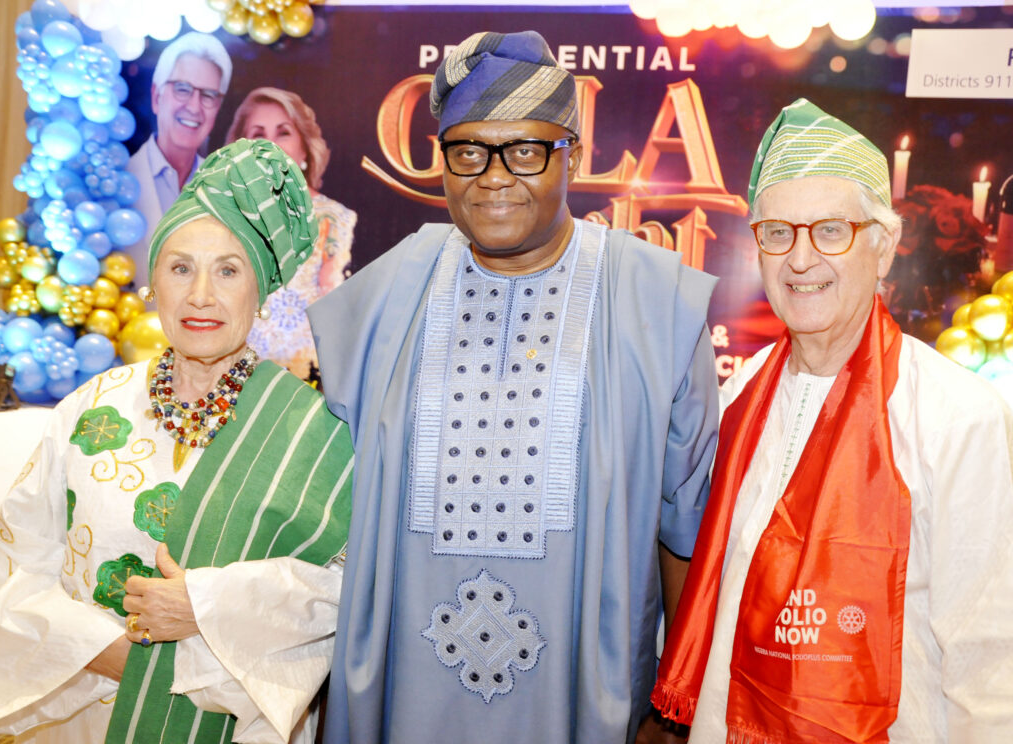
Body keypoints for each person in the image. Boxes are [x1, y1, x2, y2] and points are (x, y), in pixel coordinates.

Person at [307, 30, 719, 743]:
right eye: (468, 151)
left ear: (573, 156)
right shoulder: (385, 295)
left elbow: (688, 529)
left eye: (526, 151)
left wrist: (677, 709)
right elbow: (317, 500)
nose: (493, 177)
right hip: (403, 695)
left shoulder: (657, 300)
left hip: (585, 699)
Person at [651, 99, 1013, 742]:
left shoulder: (958, 416)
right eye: (778, 232)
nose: (800, 259)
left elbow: (989, 666)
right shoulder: (740, 395)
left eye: (830, 230)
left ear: (884, 247)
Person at [0, 140, 353, 744]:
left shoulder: (312, 434)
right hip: (77, 713)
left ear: (260, 293)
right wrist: (108, 654)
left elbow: (342, 592)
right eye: (181, 267)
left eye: (228, 271)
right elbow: (12, 562)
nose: (201, 295)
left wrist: (204, 606)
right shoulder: (93, 406)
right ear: (153, 281)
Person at [224, 87, 357, 380]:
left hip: (308, 378)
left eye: (283, 133)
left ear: (304, 148)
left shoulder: (334, 218)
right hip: (234, 374)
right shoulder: (225, 216)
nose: (270, 145)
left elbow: (339, 310)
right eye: (258, 134)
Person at [126, 32, 233, 292]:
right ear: (156, 97)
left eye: (208, 95)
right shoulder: (120, 178)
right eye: (182, 89)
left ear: (218, 108)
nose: (194, 107)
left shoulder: (228, 190)